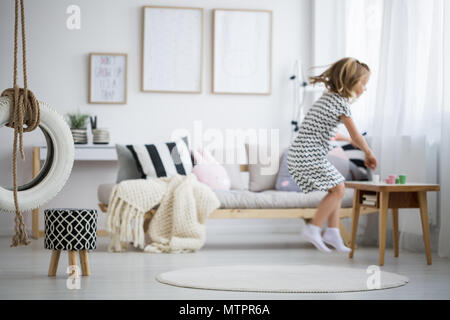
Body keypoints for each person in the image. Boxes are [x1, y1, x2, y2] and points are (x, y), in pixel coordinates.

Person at [287, 57, 378, 253]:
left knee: (336, 188)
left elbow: (331, 132)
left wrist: (348, 141)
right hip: (307, 154)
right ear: (350, 82)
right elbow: (356, 134)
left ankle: (333, 233)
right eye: (363, 83)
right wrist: (368, 152)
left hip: (301, 153)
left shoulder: (328, 99)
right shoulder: (341, 105)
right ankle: (314, 228)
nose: (365, 88)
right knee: (338, 188)